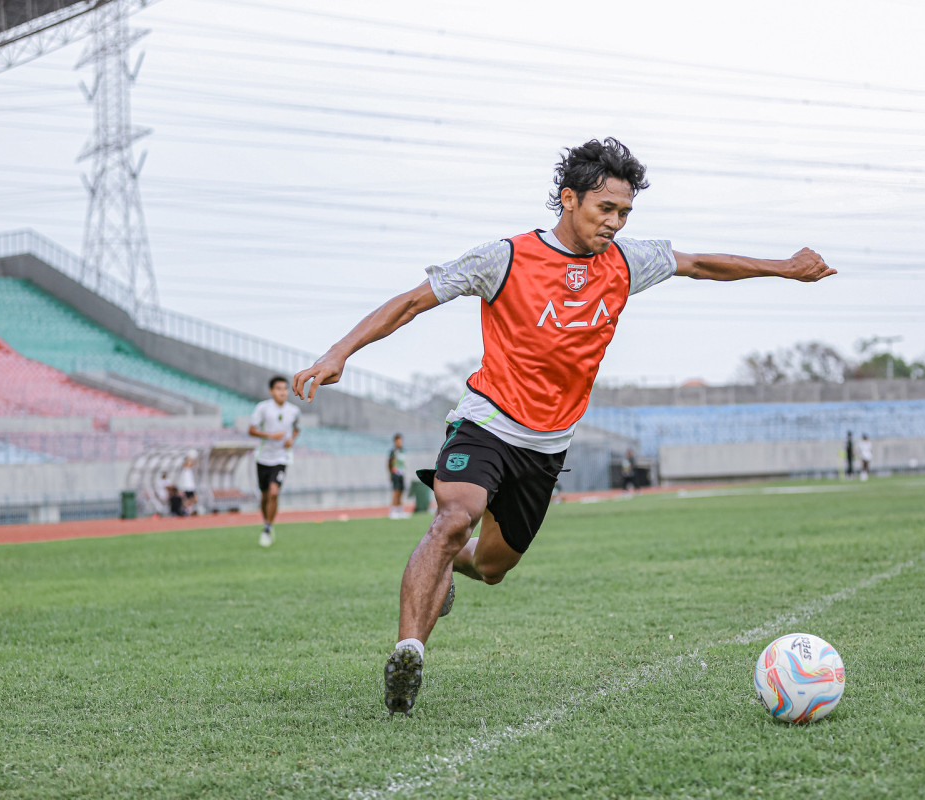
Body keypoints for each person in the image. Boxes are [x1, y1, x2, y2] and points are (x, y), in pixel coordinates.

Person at [291, 137, 836, 714]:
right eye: (606, 209)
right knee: (453, 518)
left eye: (625, 213)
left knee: (492, 565)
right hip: (487, 421)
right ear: (568, 199)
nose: (616, 223)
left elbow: (700, 265)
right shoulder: (503, 258)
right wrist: (338, 352)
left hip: (548, 446)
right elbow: (412, 302)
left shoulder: (627, 261)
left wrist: (785, 269)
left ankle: (447, 566)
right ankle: (408, 653)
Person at [248, 376, 301, 546]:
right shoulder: (263, 408)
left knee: (274, 492)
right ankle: (266, 522)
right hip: (263, 457)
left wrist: (291, 439)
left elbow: (297, 429)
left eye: (285, 389)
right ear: (272, 391)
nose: (282, 392)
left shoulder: (293, 410)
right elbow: (251, 430)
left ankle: (267, 528)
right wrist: (271, 436)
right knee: (264, 496)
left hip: (281, 458)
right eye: (279, 389)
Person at [389, 434, 408, 519]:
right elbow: (389, 463)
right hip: (395, 473)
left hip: (401, 474)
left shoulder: (402, 451)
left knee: (401, 491)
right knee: (396, 492)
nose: (400, 442)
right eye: (398, 441)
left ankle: (400, 510)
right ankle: (393, 511)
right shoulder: (393, 451)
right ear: (395, 441)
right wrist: (391, 473)